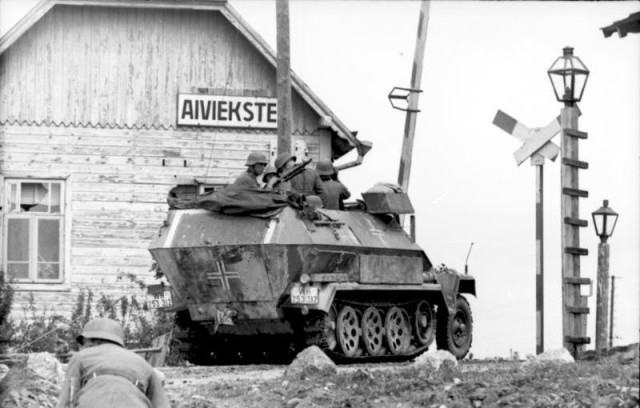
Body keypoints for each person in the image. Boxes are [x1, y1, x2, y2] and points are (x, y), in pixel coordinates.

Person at [56, 318, 170, 408]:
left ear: (94, 342)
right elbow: (161, 404)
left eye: (83, 344)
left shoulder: (79, 358)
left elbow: (67, 400)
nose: (81, 348)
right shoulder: (144, 365)